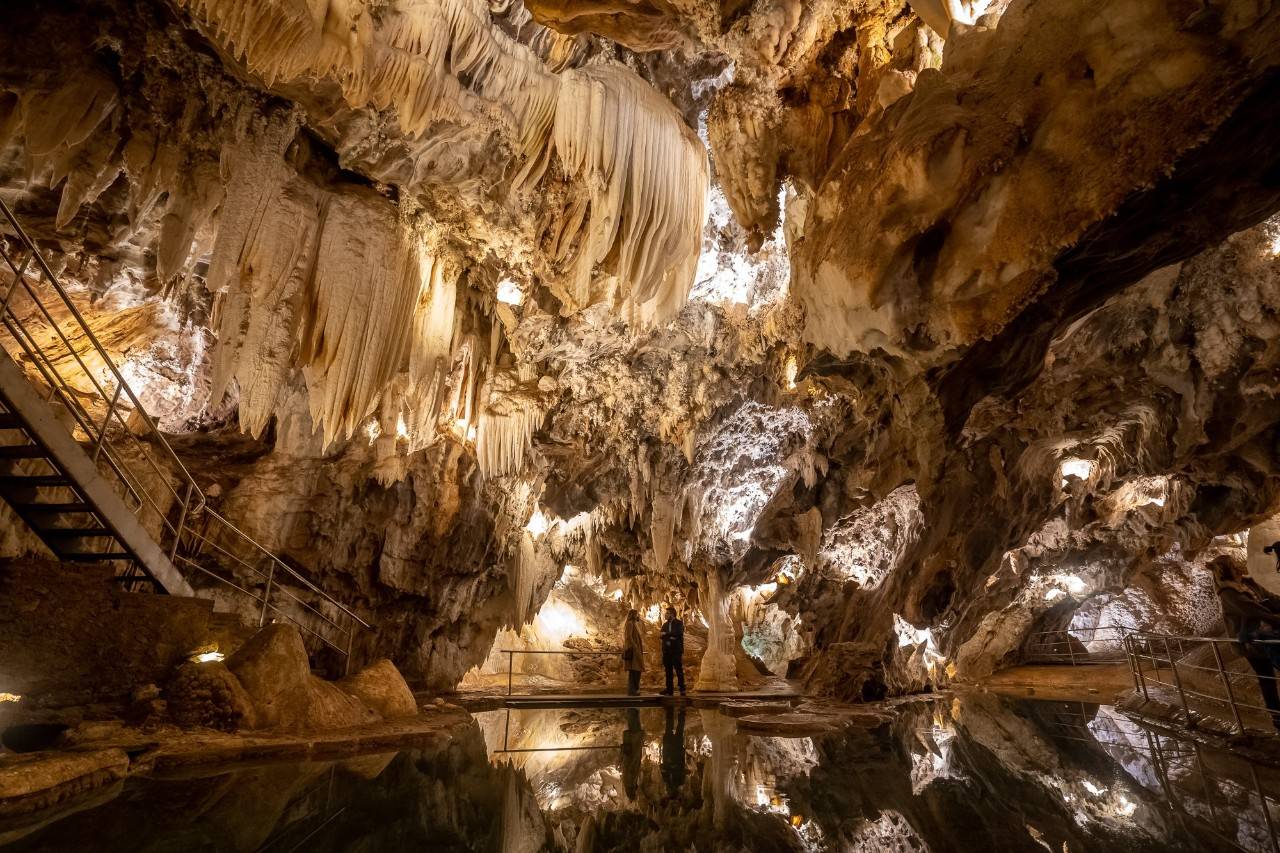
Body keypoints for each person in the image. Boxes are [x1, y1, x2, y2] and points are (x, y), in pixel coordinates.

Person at [1212, 555, 1280, 730]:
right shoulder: (1227, 593)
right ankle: (1277, 717)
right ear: (1228, 570)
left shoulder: (1248, 583)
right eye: (1233, 565)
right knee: (1266, 677)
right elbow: (1252, 610)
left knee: (1268, 676)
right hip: (1252, 643)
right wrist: (1275, 617)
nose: (1237, 566)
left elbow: (1270, 598)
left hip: (1269, 634)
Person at [661, 705, 687, 798]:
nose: (667, 790)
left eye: (667, 792)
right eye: (669, 792)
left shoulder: (666, 780)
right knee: (679, 729)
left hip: (668, 749)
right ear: (673, 791)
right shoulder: (680, 781)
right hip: (676, 750)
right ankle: (682, 712)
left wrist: (666, 768)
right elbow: (681, 767)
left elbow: (662, 767)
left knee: (669, 727)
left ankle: (670, 710)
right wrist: (671, 767)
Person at [659, 606, 686, 696]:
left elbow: (678, 633)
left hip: (676, 650)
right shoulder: (665, 625)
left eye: (667, 613)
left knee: (678, 669)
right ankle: (669, 689)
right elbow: (661, 635)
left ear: (672, 614)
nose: (665, 615)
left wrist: (667, 634)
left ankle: (682, 688)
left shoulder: (679, 623)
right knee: (668, 670)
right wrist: (670, 636)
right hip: (667, 651)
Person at [622, 608, 644, 696]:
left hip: (636, 649)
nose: (638, 616)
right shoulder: (630, 624)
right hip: (634, 650)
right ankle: (633, 690)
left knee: (635, 670)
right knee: (635, 670)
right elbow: (629, 636)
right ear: (633, 615)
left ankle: (634, 689)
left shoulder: (634, 624)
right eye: (637, 614)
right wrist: (635, 646)